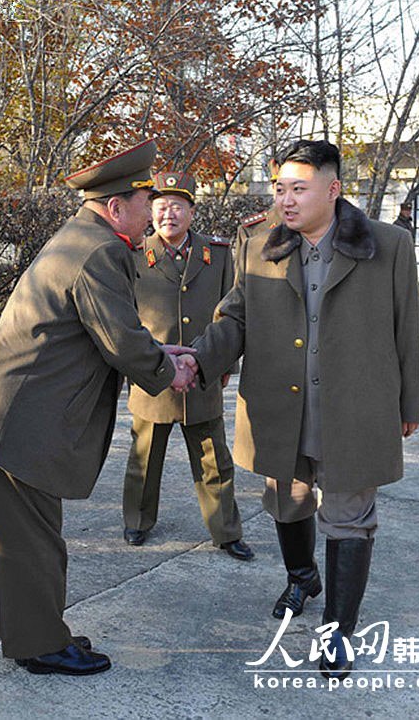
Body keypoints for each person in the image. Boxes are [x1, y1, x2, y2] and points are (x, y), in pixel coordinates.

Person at [0, 140, 197, 676]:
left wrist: (159, 353)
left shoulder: (84, 239)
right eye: (143, 201)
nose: (152, 211)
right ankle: (40, 647)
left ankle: (34, 633)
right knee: (32, 542)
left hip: (13, 414)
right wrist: (167, 369)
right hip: (20, 419)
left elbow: (108, 331)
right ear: (116, 207)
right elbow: (121, 341)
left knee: (21, 537)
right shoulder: (100, 249)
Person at [192, 140, 419, 679]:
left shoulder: (388, 245)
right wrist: (195, 361)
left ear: (333, 189)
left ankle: (339, 630)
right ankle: (302, 577)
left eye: (299, 188)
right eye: (280, 188)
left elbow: (406, 327)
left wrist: (411, 399)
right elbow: (235, 316)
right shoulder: (257, 242)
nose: (287, 200)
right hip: (280, 403)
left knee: (349, 514)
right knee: (286, 499)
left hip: (354, 407)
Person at [122, 171, 253, 561]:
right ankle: (137, 521)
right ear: (150, 212)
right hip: (153, 375)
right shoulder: (133, 257)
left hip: (202, 372)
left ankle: (226, 531)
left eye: (178, 207)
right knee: (144, 457)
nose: (168, 215)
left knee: (214, 458)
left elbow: (233, 313)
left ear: (192, 212)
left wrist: (222, 361)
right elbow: (125, 318)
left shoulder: (217, 255)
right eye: (160, 207)